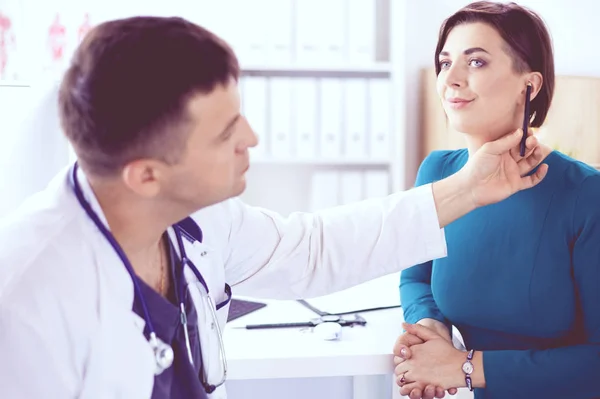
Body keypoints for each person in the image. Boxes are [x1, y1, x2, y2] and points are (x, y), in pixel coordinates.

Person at [0, 16, 546, 399]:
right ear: (147, 174)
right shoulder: (25, 299)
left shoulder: (196, 219)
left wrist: (469, 187)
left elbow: (309, 250)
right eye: (225, 134)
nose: (253, 138)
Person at [393, 2, 600, 399]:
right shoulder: (437, 173)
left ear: (530, 85)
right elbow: (415, 276)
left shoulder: (585, 194)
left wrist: (465, 367)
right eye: (445, 62)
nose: (450, 79)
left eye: (476, 63)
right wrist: (429, 329)